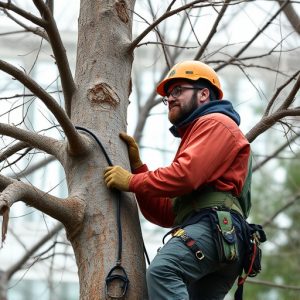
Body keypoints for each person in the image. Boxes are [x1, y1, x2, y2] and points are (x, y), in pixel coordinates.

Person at [104, 60, 251, 300]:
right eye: (168, 95)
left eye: (178, 91)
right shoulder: (198, 135)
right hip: (216, 235)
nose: (170, 98)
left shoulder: (216, 123)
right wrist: (139, 169)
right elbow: (166, 213)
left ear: (204, 94)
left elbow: (185, 175)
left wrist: (130, 181)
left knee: (163, 272)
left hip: (214, 230)